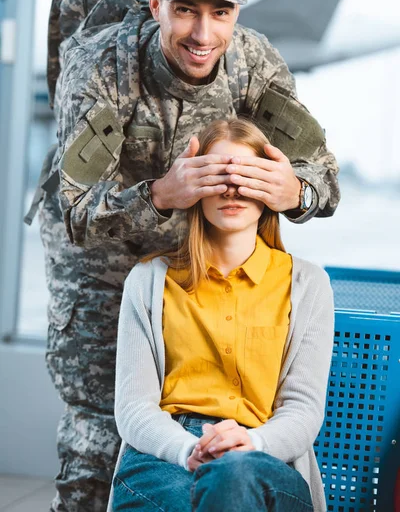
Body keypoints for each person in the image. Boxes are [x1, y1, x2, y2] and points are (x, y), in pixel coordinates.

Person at [39, 0, 340, 512]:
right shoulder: (100, 66)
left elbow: (322, 175)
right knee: (99, 441)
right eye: (185, 11)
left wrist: (294, 189)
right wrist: (159, 194)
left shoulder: (253, 62)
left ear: (236, 13)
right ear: (157, 5)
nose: (204, 35)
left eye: (219, 12)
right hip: (104, 266)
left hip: (203, 262)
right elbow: (76, 210)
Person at [110, 118, 334, 512]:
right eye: (218, 175)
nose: (232, 189)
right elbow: (134, 408)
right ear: (195, 188)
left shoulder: (308, 284)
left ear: (270, 188)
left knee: (233, 477)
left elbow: (302, 410)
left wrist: (253, 444)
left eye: (248, 176)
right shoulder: (148, 281)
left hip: (264, 454)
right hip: (166, 454)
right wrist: (188, 450)